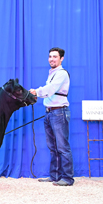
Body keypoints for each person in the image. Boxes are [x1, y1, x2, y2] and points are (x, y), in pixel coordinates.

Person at [29, 47, 74, 186]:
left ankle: (67, 178)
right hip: (50, 113)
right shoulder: (52, 73)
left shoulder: (61, 74)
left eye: (55, 56)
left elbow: (50, 90)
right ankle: (55, 176)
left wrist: (36, 91)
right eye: (50, 56)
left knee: (62, 147)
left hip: (59, 112)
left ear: (61, 59)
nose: (51, 59)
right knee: (53, 147)